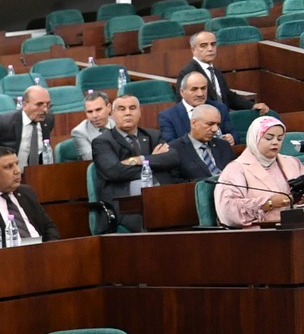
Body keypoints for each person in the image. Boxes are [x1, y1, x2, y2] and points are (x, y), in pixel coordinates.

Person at [90, 91, 168, 231]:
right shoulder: (102, 142)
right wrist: (154, 161)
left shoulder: (153, 135)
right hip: (125, 205)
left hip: (157, 198)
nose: (127, 113)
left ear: (140, 112)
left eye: (132, 108)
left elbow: (172, 158)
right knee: (151, 223)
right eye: (121, 109)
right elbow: (114, 171)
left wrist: (140, 160)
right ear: (112, 114)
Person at [215, 117, 304, 228]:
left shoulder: (292, 162)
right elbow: (227, 212)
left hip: (297, 228)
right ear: (255, 138)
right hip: (259, 234)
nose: (275, 142)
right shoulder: (236, 169)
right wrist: (269, 203)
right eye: (269, 138)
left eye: (280, 138)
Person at [0, 86, 57, 186]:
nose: (45, 110)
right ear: (24, 104)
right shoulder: (4, 122)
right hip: (5, 180)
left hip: (35, 178)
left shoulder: (48, 120)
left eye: (48, 104)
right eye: (39, 104)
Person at [178, 29, 266, 118]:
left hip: (223, 119)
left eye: (213, 44)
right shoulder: (188, 72)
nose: (210, 49)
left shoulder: (214, 71)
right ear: (193, 49)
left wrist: (251, 106)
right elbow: (186, 104)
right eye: (203, 46)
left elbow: (227, 96)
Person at [151, 105, 234, 185]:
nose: (215, 129)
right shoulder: (174, 150)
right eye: (210, 124)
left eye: (218, 124)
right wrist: (211, 180)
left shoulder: (223, 145)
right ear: (193, 123)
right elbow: (176, 184)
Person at [157, 71, 233, 147]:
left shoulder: (219, 108)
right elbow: (171, 145)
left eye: (203, 88)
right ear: (182, 92)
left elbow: (233, 134)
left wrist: (231, 138)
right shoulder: (167, 116)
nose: (200, 94)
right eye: (194, 89)